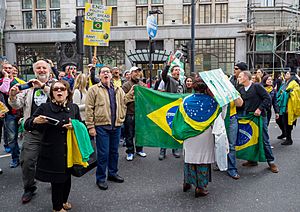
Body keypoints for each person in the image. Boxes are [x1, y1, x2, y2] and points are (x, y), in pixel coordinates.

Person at [24, 80, 80, 212]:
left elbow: (80, 124)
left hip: (69, 150)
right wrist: (35, 121)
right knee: (57, 180)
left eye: (62, 89)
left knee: (67, 178)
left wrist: (75, 126)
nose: (59, 91)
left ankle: (64, 201)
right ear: (52, 93)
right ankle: (57, 207)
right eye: (56, 89)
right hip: (53, 151)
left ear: (67, 92)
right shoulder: (45, 107)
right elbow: (27, 124)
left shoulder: (73, 108)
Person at [9, 60, 52, 203]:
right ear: (35, 71)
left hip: (52, 132)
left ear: (49, 70)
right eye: (38, 68)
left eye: (44, 67)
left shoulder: (56, 85)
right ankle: (29, 188)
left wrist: (44, 87)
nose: (41, 70)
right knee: (27, 161)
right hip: (32, 131)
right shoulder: (27, 88)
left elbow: (61, 99)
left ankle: (55, 182)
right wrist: (13, 96)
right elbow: (17, 104)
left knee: (55, 159)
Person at [85, 66, 134, 190]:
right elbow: (89, 108)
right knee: (103, 154)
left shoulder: (118, 89)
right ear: (100, 75)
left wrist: (131, 93)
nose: (105, 73)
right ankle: (100, 178)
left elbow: (124, 101)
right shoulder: (93, 89)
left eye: (108, 72)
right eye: (103, 72)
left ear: (111, 75)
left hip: (116, 125)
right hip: (101, 126)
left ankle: (112, 173)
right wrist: (90, 126)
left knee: (114, 152)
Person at [178, 78, 225, 197]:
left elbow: (179, 119)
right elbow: (221, 116)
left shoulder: (185, 100)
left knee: (189, 159)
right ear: (207, 89)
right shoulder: (213, 102)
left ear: (193, 87)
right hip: (205, 134)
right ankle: (200, 187)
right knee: (203, 160)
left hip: (189, 134)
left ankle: (187, 181)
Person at [237, 71, 279, 173]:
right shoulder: (241, 89)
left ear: (246, 77)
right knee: (251, 139)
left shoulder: (256, 86)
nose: (238, 78)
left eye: (240, 76)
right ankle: (252, 160)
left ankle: (271, 162)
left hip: (260, 117)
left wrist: (260, 109)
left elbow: (267, 98)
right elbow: (242, 104)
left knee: (264, 139)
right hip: (248, 117)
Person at [159, 54, 185, 160]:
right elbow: (164, 75)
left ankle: (175, 149)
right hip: (168, 109)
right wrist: (168, 64)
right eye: (175, 70)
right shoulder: (168, 79)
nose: (177, 71)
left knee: (175, 129)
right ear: (172, 72)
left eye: (179, 70)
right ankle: (162, 151)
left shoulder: (181, 83)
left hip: (178, 110)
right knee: (165, 129)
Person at [122, 66, 147, 161]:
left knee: (140, 133)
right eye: (135, 72)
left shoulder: (142, 85)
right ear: (131, 73)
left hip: (140, 114)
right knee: (129, 134)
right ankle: (130, 151)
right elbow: (123, 99)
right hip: (129, 113)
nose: (137, 74)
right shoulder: (126, 85)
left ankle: (139, 150)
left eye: (138, 72)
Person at [276, 70, 300, 145]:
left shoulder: (294, 83)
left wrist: (288, 92)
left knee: (287, 123)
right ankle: (284, 133)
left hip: (289, 106)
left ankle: (289, 139)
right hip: (282, 105)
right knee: (279, 120)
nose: (286, 74)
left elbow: (296, 93)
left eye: (288, 73)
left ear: (292, 75)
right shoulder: (284, 83)